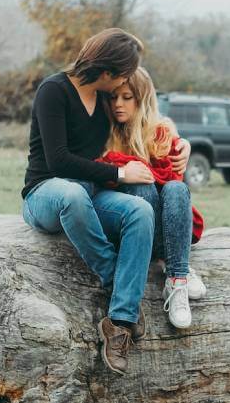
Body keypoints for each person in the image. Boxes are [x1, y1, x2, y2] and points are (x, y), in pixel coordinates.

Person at [21, 28, 191, 375]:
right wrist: (121, 175)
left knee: (140, 211)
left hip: (92, 193)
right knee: (72, 194)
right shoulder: (53, 91)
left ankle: (119, 323)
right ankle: (118, 282)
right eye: (125, 72)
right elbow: (58, 160)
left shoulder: (103, 100)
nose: (124, 83)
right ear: (109, 71)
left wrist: (180, 142)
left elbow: (146, 123)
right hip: (47, 192)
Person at [98, 67, 207, 329]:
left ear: (142, 98)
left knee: (177, 189)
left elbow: (174, 178)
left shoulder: (160, 131)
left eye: (126, 97)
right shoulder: (105, 132)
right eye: (113, 98)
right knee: (143, 188)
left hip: (166, 223)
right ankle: (175, 263)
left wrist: (184, 144)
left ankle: (176, 280)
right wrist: (126, 172)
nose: (118, 104)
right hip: (134, 229)